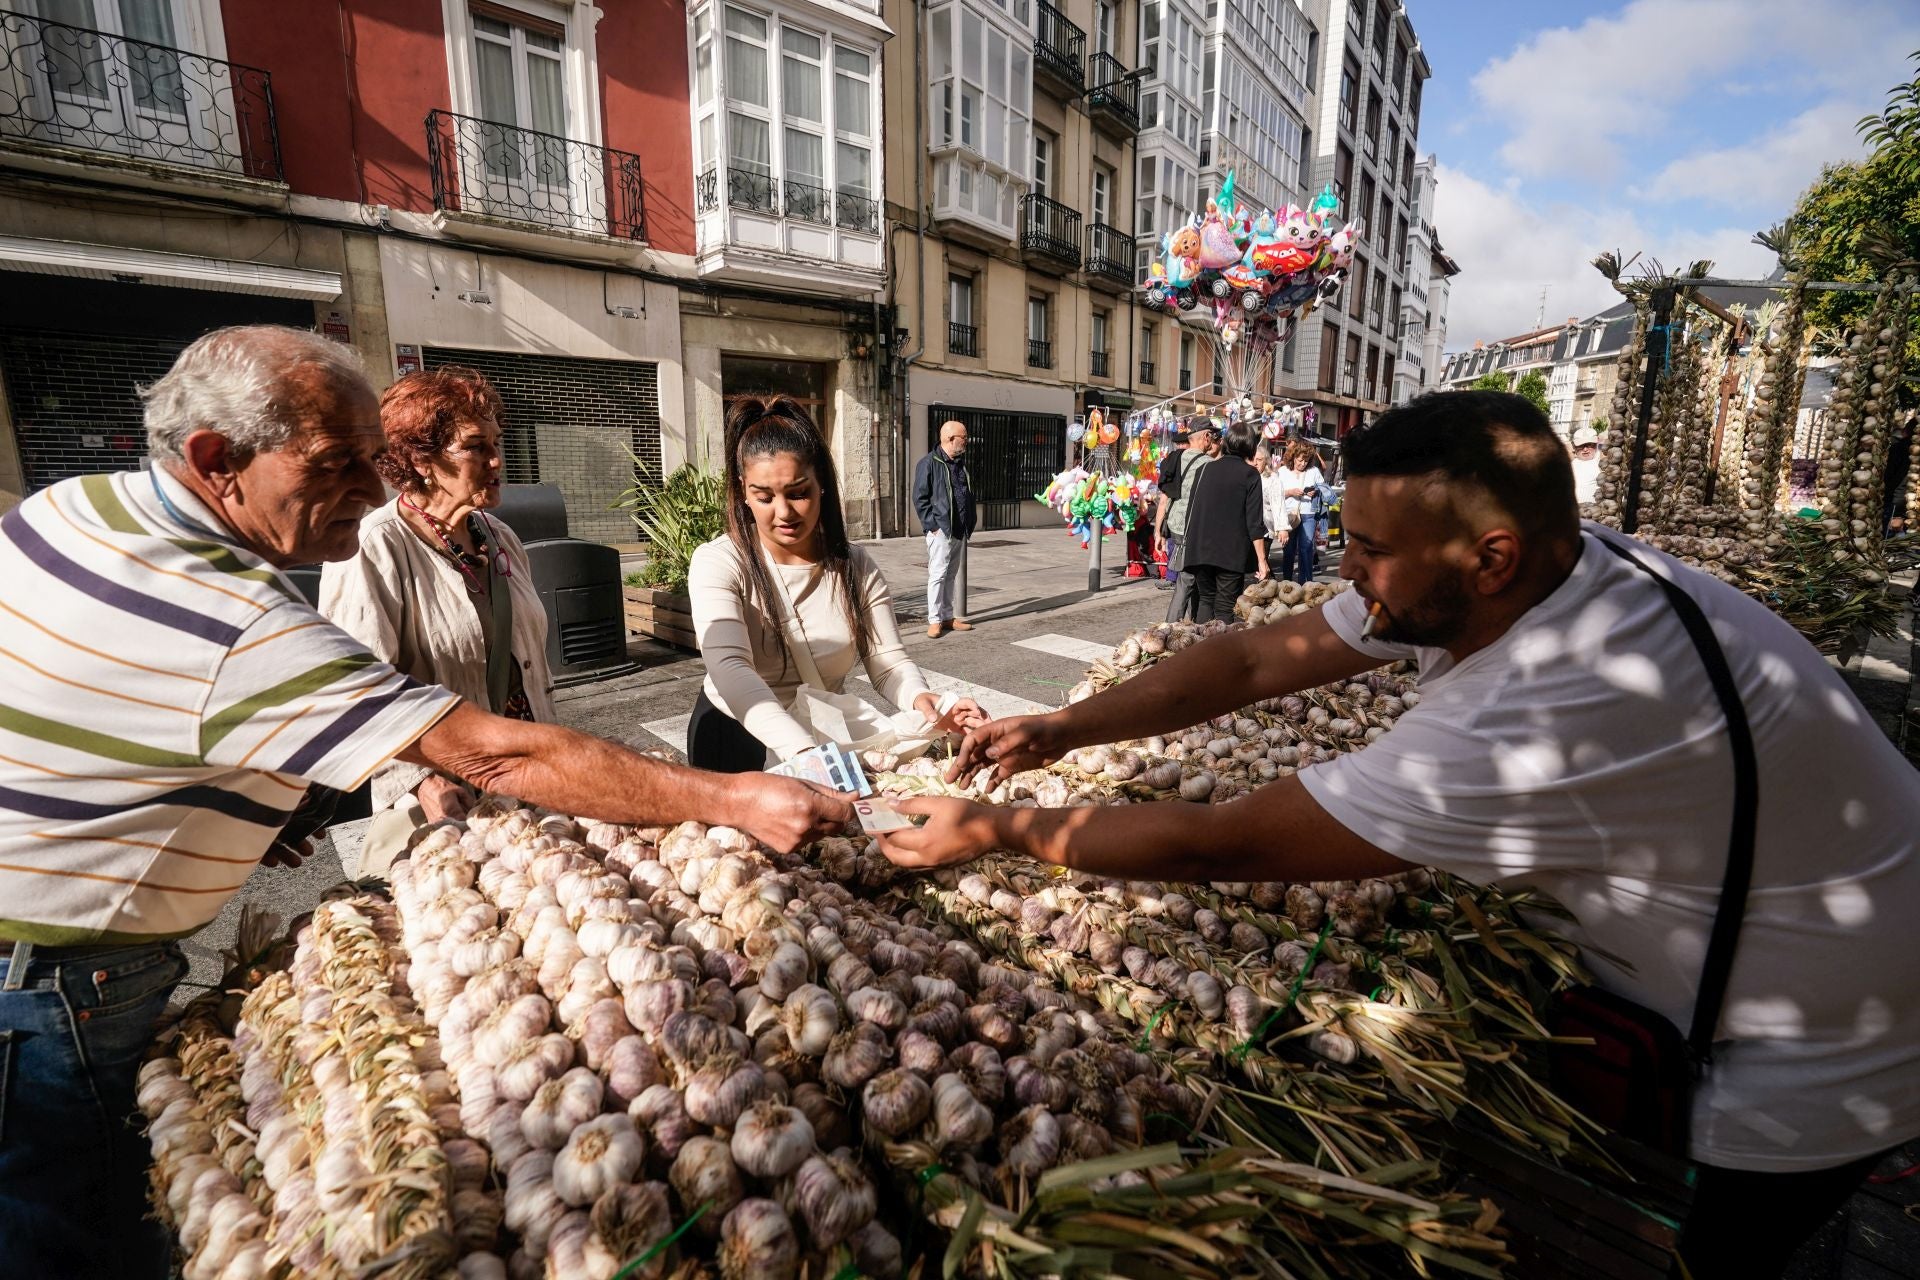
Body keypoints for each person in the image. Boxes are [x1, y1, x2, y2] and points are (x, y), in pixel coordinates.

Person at [877, 389, 1920, 1280]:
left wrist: (992, 828)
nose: (1348, 569)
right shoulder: (1552, 570)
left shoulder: (1549, 707)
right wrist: (1061, 726)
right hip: (1820, 927)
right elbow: (1250, 662)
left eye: (1368, 550)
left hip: (1828, 1041)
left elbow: (1223, 845)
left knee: (1722, 1257)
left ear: (1491, 554)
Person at [0, 327, 852, 1279]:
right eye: (339, 465)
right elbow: (482, 754)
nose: (370, 492)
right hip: (55, 992)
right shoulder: (236, 611)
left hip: (52, 961)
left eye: (376, 460)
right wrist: (730, 797)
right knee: (73, 1244)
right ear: (215, 461)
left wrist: (220, 790)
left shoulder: (69, 507)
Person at [688, 396, 983, 770]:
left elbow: (887, 660)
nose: (783, 512)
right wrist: (804, 753)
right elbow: (731, 668)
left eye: (798, 493)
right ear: (744, 490)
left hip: (822, 732)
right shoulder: (719, 562)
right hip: (737, 737)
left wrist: (922, 699)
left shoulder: (854, 565)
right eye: (764, 497)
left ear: (821, 484)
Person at [321, 366, 553, 835]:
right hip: (445, 803)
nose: (496, 461)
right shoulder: (373, 546)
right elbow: (354, 692)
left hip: (528, 783)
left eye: (496, 444)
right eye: (475, 446)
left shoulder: (500, 537)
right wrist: (421, 781)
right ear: (420, 459)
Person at [1178, 421, 1270, 620]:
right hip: (1230, 552)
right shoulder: (1250, 474)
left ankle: (1203, 647)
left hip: (1200, 548)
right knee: (1226, 606)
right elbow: (1254, 522)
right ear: (1250, 446)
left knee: (1205, 600)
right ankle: (1221, 649)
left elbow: (1192, 511)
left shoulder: (1205, 469)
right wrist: (1262, 561)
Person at [914, 419, 976, 637]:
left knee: (951, 574)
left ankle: (948, 617)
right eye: (964, 437)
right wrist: (933, 527)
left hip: (959, 529)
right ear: (950, 439)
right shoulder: (929, 463)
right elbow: (919, 498)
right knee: (938, 575)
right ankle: (934, 620)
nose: (967, 441)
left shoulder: (959, 463)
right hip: (941, 530)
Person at [1157, 418, 1220, 621]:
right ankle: (1170, 626)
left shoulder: (1175, 458)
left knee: (1191, 577)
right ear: (1206, 436)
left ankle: (1190, 623)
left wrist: (1158, 531)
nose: (1213, 441)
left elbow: (1164, 497)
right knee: (1187, 579)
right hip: (1192, 528)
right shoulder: (1209, 465)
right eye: (1212, 436)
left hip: (1174, 523)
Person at [1277, 442, 1325, 583]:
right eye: (1300, 460)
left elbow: (1323, 488)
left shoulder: (1314, 471)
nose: (1303, 463)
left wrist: (1315, 491)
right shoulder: (1283, 471)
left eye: (1306, 460)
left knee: (1306, 548)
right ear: (1292, 457)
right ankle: (1287, 581)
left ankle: (1306, 583)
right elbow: (1275, 494)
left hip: (1308, 513)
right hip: (1289, 515)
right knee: (1289, 551)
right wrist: (1290, 492)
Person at [1570, 424, 1602, 505]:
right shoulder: (1571, 465)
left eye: (1590, 445)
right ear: (1574, 445)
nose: (1585, 449)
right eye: (1580, 445)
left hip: (1593, 513)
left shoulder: (1603, 464)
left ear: (1596, 443)